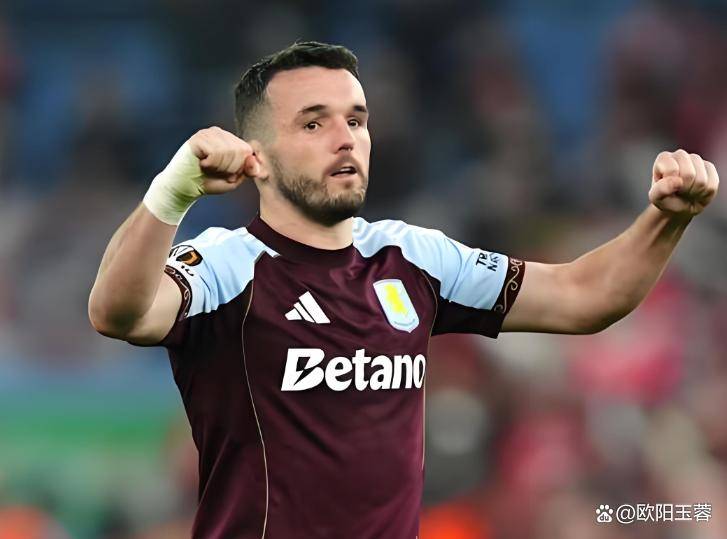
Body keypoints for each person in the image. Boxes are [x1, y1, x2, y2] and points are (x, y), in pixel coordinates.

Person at [88, 41, 719, 538]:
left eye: (356, 120)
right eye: (313, 123)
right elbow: (119, 312)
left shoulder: (414, 258)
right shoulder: (228, 265)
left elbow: (584, 297)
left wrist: (667, 217)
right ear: (258, 156)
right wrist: (172, 193)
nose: (346, 138)